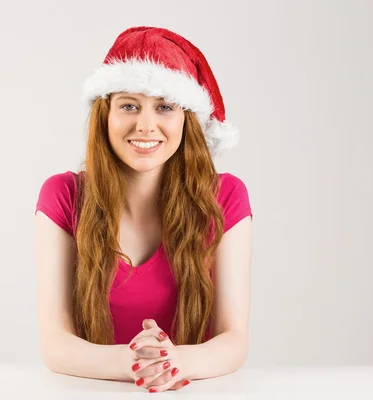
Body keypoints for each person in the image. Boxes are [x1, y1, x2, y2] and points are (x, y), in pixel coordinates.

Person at [33, 26, 253, 393]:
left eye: (165, 107)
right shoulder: (63, 196)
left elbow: (234, 339)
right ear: (106, 115)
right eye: (129, 105)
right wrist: (135, 360)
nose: (146, 125)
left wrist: (176, 362)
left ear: (187, 119)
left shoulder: (226, 197)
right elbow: (55, 344)